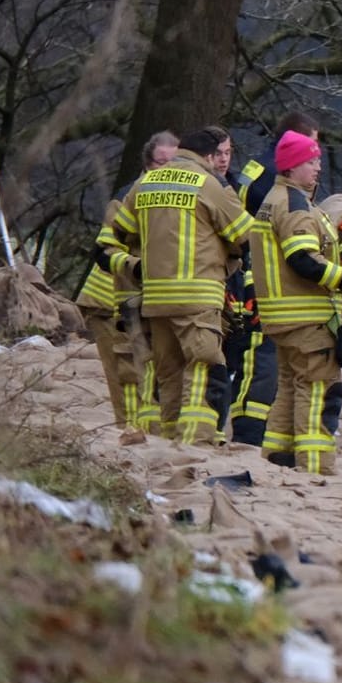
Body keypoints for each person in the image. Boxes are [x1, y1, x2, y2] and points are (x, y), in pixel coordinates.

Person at [96, 126, 254, 446]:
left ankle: (166, 444)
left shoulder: (145, 183)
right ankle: (197, 446)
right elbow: (245, 235)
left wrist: (134, 267)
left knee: (168, 375)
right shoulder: (209, 184)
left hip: (155, 298)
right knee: (204, 370)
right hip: (198, 296)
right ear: (208, 156)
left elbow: (108, 243)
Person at [250, 131, 342, 475]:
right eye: (311, 161)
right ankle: (315, 469)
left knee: (288, 390)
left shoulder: (273, 199)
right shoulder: (294, 205)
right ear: (293, 165)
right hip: (307, 318)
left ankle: (277, 461)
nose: (317, 168)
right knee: (319, 394)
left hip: (281, 317)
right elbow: (303, 260)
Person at [224, 111, 324, 447]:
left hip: (243, 269)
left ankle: (251, 428)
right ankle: (250, 430)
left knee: (249, 353)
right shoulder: (280, 188)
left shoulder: (254, 168)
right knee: (261, 356)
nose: (316, 157)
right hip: (265, 278)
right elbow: (295, 246)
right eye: (311, 146)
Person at [78, 130, 176, 434]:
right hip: (107, 300)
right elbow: (105, 251)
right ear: (148, 163)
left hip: (136, 300)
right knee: (127, 374)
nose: (169, 171)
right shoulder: (128, 196)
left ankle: (141, 435)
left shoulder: (165, 196)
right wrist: (140, 270)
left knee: (145, 372)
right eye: (163, 163)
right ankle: (129, 435)